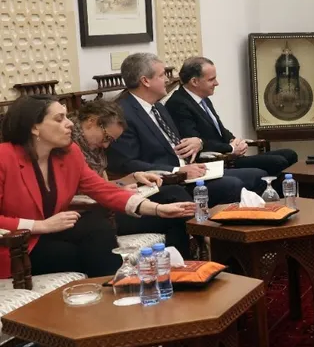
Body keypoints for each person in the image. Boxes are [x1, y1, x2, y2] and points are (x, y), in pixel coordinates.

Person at [0, 96, 193, 278]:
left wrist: (158, 209)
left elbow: (104, 190)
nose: (69, 123)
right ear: (34, 127)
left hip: (52, 232)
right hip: (15, 246)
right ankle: (121, 287)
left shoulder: (69, 153)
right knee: (79, 252)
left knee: (97, 227)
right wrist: (41, 226)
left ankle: (122, 285)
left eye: (66, 117)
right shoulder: (4, 157)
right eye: (59, 119)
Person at [108, 52, 267, 205]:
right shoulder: (122, 115)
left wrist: (197, 143)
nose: (167, 80)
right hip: (167, 181)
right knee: (233, 185)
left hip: (190, 170)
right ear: (145, 81)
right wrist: (177, 170)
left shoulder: (158, 107)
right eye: (162, 75)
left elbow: (178, 142)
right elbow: (127, 164)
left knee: (258, 176)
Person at [71, 99, 194, 256]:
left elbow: (102, 185)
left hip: (106, 203)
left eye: (111, 141)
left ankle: (194, 251)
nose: (106, 146)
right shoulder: (70, 149)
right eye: (107, 137)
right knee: (175, 217)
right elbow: (85, 193)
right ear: (91, 122)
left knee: (174, 192)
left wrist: (133, 178)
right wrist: (121, 192)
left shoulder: (94, 149)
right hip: (95, 213)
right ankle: (197, 248)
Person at [166, 56, 298, 179]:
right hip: (218, 161)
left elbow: (219, 130)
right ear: (194, 81)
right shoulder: (178, 104)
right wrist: (231, 148)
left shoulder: (203, 99)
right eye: (211, 80)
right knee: (278, 162)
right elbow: (194, 143)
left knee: (290, 154)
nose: (216, 83)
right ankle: (278, 194)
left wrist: (234, 140)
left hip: (229, 155)